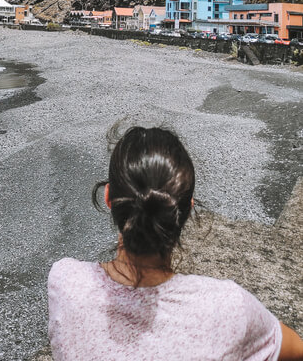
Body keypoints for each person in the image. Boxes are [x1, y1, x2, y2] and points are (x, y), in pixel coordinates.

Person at [48, 125, 303, 360]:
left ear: (108, 198)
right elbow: (293, 350)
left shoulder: (66, 282)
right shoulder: (228, 309)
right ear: (186, 210)